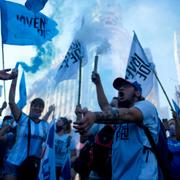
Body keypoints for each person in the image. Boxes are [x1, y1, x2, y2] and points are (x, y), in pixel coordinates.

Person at [74, 77, 161, 180]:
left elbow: (129, 114)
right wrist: (98, 83)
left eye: (126, 86)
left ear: (137, 93)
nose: (120, 89)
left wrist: (95, 116)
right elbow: (106, 107)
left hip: (141, 176)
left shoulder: (146, 106)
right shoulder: (120, 114)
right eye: (119, 87)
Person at [4, 68, 49, 180]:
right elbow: (11, 102)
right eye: (35, 105)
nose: (37, 108)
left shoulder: (45, 125)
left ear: (42, 109)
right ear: (31, 107)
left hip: (32, 165)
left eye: (40, 106)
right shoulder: (23, 118)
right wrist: (14, 80)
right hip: (14, 162)